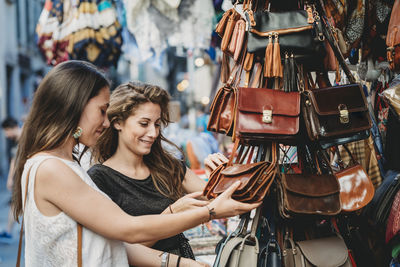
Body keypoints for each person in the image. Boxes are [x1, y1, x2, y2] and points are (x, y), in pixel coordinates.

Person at [12, 60, 259, 266]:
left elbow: (118, 244)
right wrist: (209, 212)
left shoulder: (62, 164)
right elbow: (129, 230)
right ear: (75, 105)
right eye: (101, 111)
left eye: (157, 124)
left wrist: (183, 263)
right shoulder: (52, 168)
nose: (105, 122)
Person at [88, 82, 229, 259]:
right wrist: (173, 213)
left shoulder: (168, 166)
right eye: (144, 123)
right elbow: (119, 251)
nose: (153, 133)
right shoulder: (100, 178)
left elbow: (220, 201)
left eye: (156, 124)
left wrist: (218, 178)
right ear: (117, 123)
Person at [0, 117, 22, 242]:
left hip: (26, 176)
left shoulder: (25, 136)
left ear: (11, 128)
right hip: (19, 177)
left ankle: (10, 230)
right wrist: (10, 178)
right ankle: (9, 230)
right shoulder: (15, 140)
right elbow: (14, 160)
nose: (6, 135)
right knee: (15, 203)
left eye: (6, 131)